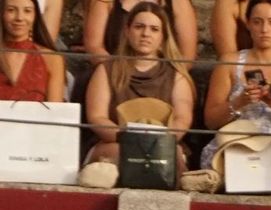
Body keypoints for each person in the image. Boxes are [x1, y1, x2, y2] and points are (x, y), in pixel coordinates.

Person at [200, 0, 271, 169]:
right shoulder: (230, 62)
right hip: (238, 142)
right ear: (248, 24)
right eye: (257, 22)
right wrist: (239, 102)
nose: (264, 29)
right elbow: (210, 120)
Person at [82, 1, 193, 165]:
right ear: (127, 31)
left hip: (162, 144)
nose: (145, 34)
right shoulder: (106, 70)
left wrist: (155, 142)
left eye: (154, 29)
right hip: (116, 144)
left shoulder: (177, 76)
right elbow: (97, 117)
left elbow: (182, 119)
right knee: (116, 154)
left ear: (163, 37)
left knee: (174, 155)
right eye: (139, 27)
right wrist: (131, 140)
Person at [82, 0, 197, 60]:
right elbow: (94, 46)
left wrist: (164, 76)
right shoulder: (105, 2)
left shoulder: (179, 2)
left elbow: (187, 55)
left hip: (163, 77)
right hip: (113, 73)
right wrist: (116, 71)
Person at [1, 0, 66, 101]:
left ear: (35, 16)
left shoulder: (52, 58)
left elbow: (55, 111)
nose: (19, 18)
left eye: (27, 11)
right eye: (11, 10)